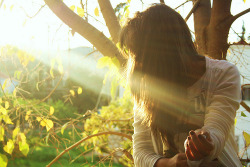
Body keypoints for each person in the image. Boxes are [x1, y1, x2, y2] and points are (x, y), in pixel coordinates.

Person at [119, 4, 242, 167]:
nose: (137, 65)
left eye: (140, 55)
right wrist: (168, 164)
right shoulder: (147, 86)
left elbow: (217, 130)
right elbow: (141, 152)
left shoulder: (223, 73)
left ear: (162, 51)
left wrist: (205, 142)